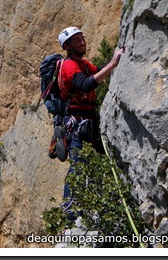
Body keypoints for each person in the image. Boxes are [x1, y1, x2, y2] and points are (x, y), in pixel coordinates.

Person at [56, 26, 124, 220]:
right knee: (78, 165)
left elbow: (99, 73)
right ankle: (70, 213)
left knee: (91, 163)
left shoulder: (83, 64)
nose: (83, 42)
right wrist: (112, 64)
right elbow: (86, 84)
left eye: (82, 38)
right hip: (76, 123)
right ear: (67, 46)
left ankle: (92, 205)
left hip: (87, 121)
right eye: (77, 40)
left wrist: (115, 60)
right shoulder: (69, 65)